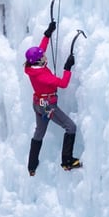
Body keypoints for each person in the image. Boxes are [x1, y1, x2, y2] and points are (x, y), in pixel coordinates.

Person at [24, 20, 81, 176]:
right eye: (42, 57)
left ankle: (32, 166)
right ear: (38, 61)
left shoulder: (30, 67)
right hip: (48, 106)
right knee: (71, 127)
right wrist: (67, 68)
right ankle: (67, 161)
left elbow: (40, 49)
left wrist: (47, 34)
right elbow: (62, 83)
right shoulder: (42, 76)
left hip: (38, 103)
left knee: (39, 133)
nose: (45, 57)